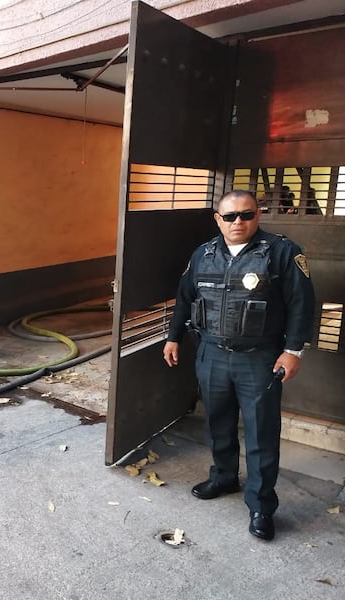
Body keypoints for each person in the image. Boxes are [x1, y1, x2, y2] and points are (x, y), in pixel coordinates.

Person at [163, 189, 315, 542]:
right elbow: (186, 298)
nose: (238, 222)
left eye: (246, 215)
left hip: (259, 358)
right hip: (212, 353)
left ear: (257, 215)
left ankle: (261, 505)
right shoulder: (203, 254)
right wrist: (173, 337)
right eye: (229, 216)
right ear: (218, 219)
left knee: (261, 433)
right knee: (218, 422)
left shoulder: (281, 253)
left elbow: (302, 306)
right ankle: (224, 477)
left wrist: (293, 351)